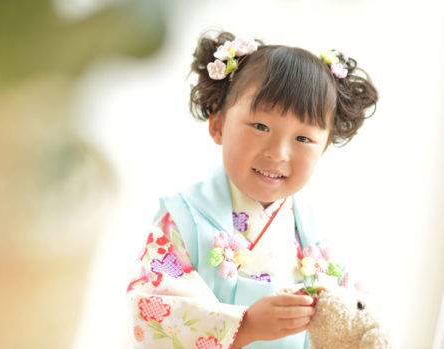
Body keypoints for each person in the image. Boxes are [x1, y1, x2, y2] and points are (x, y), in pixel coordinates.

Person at [126, 30, 378, 349]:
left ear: (325, 146)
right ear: (217, 125)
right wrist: (245, 326)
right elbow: (153, 311)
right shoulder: (183, 217)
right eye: (260, 127)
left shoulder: (318, 239)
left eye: (303, 139)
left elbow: (351, 321)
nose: (279, 153)